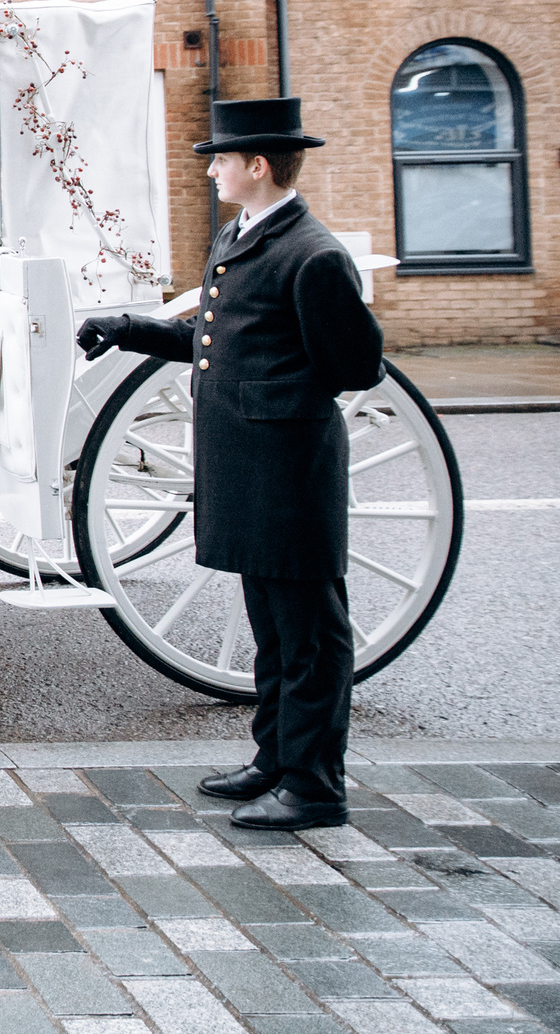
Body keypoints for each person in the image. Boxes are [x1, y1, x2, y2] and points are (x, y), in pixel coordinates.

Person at [77, 97, 381, 833]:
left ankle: (314, 784)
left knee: (310, 632)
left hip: (287, 466)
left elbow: (357, 364)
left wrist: (274, 397)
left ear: (258, 165)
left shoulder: (313, 254)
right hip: (248, 466)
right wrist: (129, 329)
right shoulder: (243, 235)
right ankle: (275, 757)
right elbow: (216, 341)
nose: (212, 168)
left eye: (221, 157)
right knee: (273, 629)